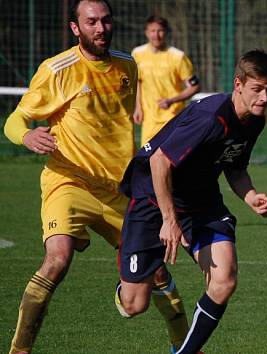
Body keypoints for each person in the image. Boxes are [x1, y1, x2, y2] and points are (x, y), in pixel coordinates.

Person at [3, 1, 190, 353]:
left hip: (119, 188)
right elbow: (14, 120)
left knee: (156, 275)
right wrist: (27, 135)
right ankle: (19, 350)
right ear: (76, 28)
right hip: (69, 181)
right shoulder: (57, 69)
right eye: (91, 23)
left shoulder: (127, 65)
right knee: (57, 259)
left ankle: (184, 345)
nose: (100, 28)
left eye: (105, 20)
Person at [114, 49, 267, 354]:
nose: (265, 97)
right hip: (154, 201)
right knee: (134, 305)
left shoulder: (254, 120)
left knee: (224, 280)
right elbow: (159, 162)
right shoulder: (210, 118)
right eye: (257, 89)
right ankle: (145, 277)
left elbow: (235, 165)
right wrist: (169, 220)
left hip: (202, 203)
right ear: (238, 84)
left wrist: (251, 196)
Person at [132, 15, 201, 145]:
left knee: (170, 161)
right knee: (146, 160)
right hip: (149, 120)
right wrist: (138, 108)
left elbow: (195, 86)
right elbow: (138, 82)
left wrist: (171, 100)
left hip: (172, 118)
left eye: (160, 31)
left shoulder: (177, 56)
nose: (156, 35)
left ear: (166, 33)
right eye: (152, 31)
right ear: (146, 33)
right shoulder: (137, 54)